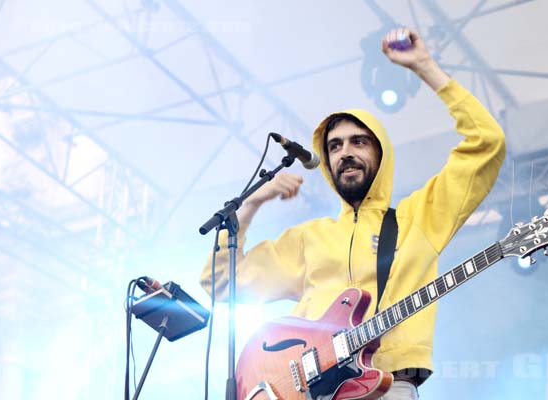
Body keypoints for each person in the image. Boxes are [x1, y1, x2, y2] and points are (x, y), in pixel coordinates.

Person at [200, 27, 506, 399]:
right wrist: (250, 205)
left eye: (359, 142)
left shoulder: (420, 218)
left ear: (381, 155)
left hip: (384, 384)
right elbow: (220, 284)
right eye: (335, 146)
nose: (345, 152)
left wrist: (426, 67)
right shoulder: (308, 237)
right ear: (327, 162)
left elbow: (486, 144)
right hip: (310, 390)